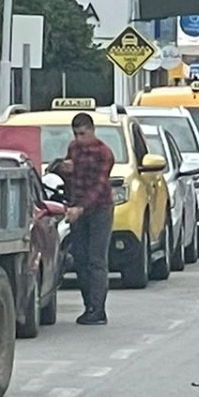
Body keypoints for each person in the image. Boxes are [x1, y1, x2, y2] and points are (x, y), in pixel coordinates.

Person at [58, 111, 116, 325]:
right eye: (76, 134)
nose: (79, 139)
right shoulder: (74, 149)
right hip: (77, 208)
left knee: (96, 260)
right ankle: (88, 305)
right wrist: (65, 169)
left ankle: (98, 309)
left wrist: (80, 208)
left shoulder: (104, 153)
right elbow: (67, 178)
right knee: (80, 258)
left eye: (83, 133)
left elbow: (99, 186)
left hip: (99, 209)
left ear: (92, 130)